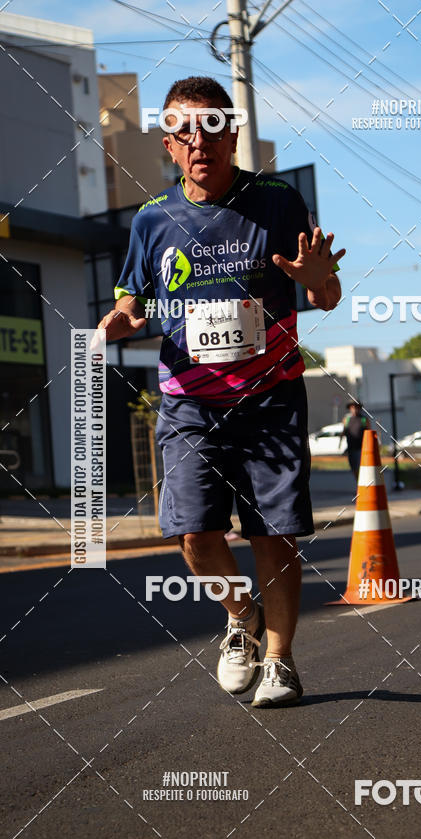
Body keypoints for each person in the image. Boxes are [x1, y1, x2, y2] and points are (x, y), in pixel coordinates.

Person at [96, 77, 344, 706]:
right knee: (195, 535)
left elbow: (325, 293)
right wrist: (121, 318)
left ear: (232, 135)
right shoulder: (152, 221)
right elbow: (133, 299)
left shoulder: (278, 202)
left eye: (211, 127)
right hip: (188, 400)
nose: (198, 141)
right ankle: (242, 618)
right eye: (183, 130)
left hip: (270, 397)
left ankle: (281, 662)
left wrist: (320, 283)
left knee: (273, 533)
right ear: (168, 144)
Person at [342, 401, 370, 479]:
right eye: (352, 407)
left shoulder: (364, 419)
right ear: (350, 409)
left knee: (360, 467)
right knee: (354, 468)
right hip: (350, 447)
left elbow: (369, 432)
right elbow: (344, 431)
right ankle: (359, 485)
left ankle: (362, 485)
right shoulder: (346, 419)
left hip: (361, 447)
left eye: (356, 407)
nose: (354, 409)